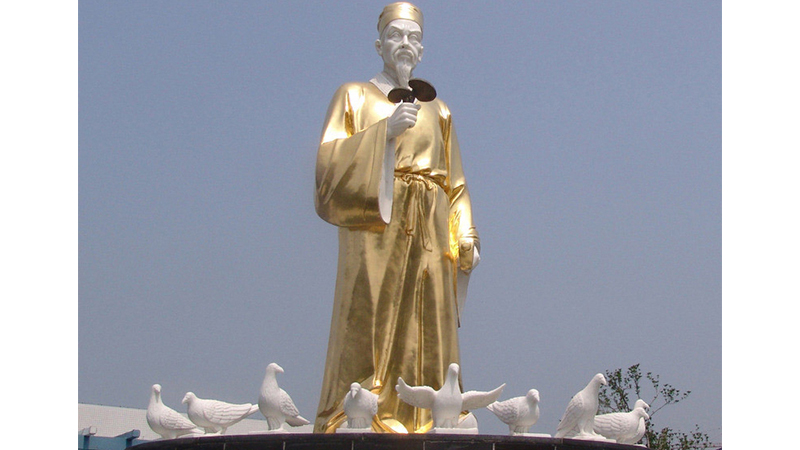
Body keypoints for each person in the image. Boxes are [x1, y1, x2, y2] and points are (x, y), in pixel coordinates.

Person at [313, 2, 480, 433]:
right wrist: (383, 134)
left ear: (421, 50)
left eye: (413, 38)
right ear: (379, 45)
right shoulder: (354, 95)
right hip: (377, 221)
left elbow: (455, 183)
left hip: (430, 226)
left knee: (429, 319)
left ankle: (435, 413)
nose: (405, 44)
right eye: (395, 35)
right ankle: (359, 408)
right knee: (372, 313)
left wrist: (465, 233)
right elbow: (329, 165)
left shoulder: (439, 110)